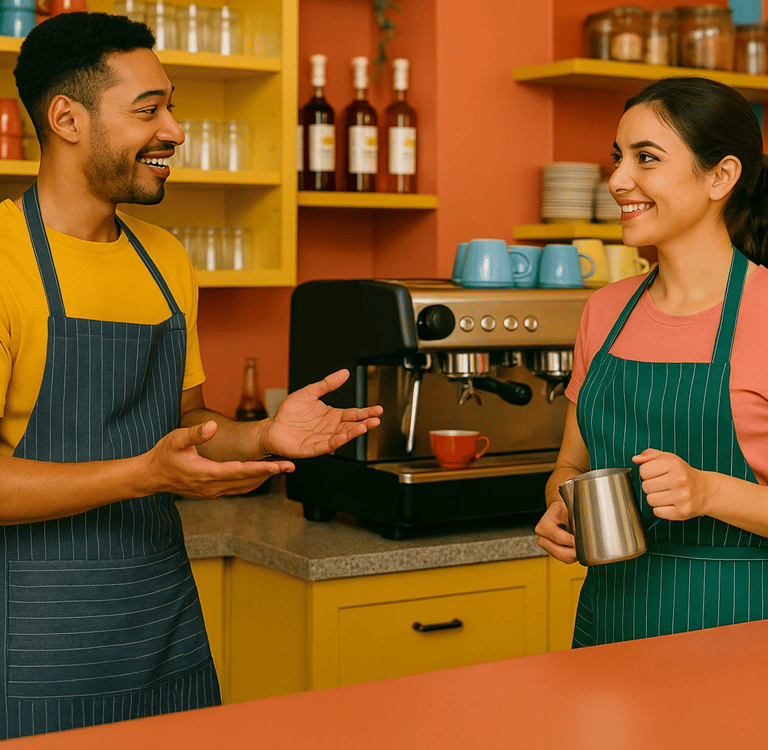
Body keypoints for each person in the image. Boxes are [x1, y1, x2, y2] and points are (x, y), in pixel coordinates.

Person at [0, 11, 382, 740]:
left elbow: (183, 432)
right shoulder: (4, 261)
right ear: (67, 118)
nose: (174, 130)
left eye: (171, 106)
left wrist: (264, 435)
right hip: (34, 639)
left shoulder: (164, 257)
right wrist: (143, 476)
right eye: (149, 110)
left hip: (162, 622)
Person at [535, 76, 768, 648]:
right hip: (610, 625)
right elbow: (570, 467)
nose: (617, 181)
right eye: (618, 159)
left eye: (646, 158)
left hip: (741, 632)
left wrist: (710, 493)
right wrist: (561, 509)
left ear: (722, 176)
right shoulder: (605, 311)